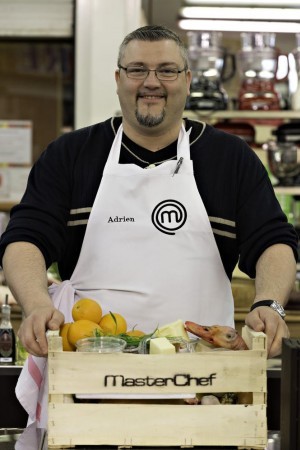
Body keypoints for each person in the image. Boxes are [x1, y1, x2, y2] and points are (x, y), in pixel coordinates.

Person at [0, 25, 297, 363]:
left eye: (167, 71)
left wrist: (269, 303)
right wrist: (37, 304)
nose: (151, 82)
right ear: (118, 79)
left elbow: (273, 240)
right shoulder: (70, 155)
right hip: (90, 369)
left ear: (187, 80)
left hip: (206, 372)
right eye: (137, 70)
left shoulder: (230, 158)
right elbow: (25, 238)